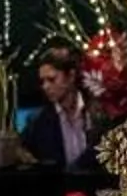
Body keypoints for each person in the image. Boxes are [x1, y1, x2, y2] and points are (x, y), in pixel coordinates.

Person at [18, 42, 99, 174]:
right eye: (43, 81)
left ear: (71, 76)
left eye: (51, 79)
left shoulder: (97, 112)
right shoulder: (39, 121)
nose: (45, 87)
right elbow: (19, 148)